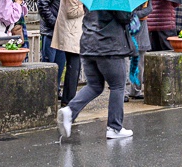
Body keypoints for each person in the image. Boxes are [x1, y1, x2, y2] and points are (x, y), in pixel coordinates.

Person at [58, 8, 135, 140]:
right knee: (118, 86)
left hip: (88, 45)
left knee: (94, 85)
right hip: (109, 46)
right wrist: (132, 12)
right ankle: (114, 128)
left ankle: (70, 111)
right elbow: (124, 17)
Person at [52, 0, 85, 107]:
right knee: (73, 68)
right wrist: (85, 6)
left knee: (75, 68)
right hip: (70, 34)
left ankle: (70, 98)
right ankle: (68, 99)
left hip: (73, 34)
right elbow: (71, 12)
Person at [37, 0, 67, 83]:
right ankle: (47, 91)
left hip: (62, 32)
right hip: (50, 32)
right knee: (48, 65)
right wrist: (54, 22)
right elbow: (41, 3)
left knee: (60, 64)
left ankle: (56, 89)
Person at [125, 2, 151, 101]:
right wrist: (139, 14)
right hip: (127, 32)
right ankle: (123, 92)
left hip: (141, 32)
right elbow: (126, 14)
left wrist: (139, 13)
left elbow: (150, 9)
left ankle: (136, 90)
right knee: (125, 64)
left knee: (139, 64)